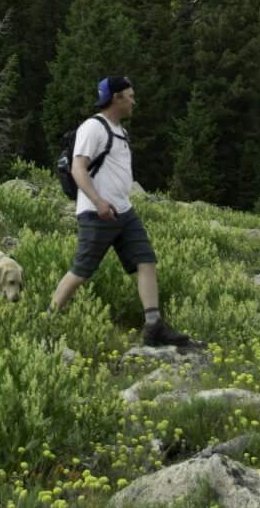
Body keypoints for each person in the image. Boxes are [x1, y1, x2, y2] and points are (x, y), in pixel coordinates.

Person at [47, 76, 194, 347]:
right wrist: (99, 202)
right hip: (96, 211)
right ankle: (48, 321)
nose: (133, 100)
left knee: (146, 260)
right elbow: (78, 169)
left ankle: (154, 327)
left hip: (123, 211)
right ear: (116, 98)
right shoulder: (93, 127)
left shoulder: (120, 131)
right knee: (81, 271)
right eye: (130, 95)